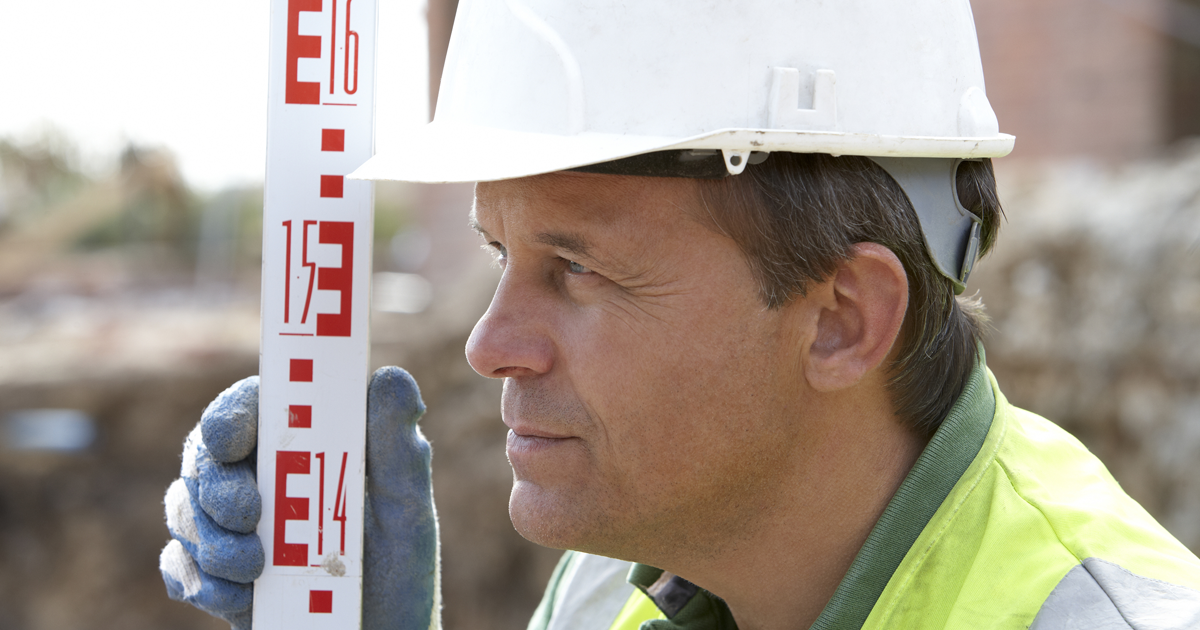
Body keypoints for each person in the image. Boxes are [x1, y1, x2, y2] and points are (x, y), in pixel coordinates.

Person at [160, 1, 1200, 629]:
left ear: (841, 317)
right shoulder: (614, 590)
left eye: (573, 267)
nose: (488, 345)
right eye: (498, 252)